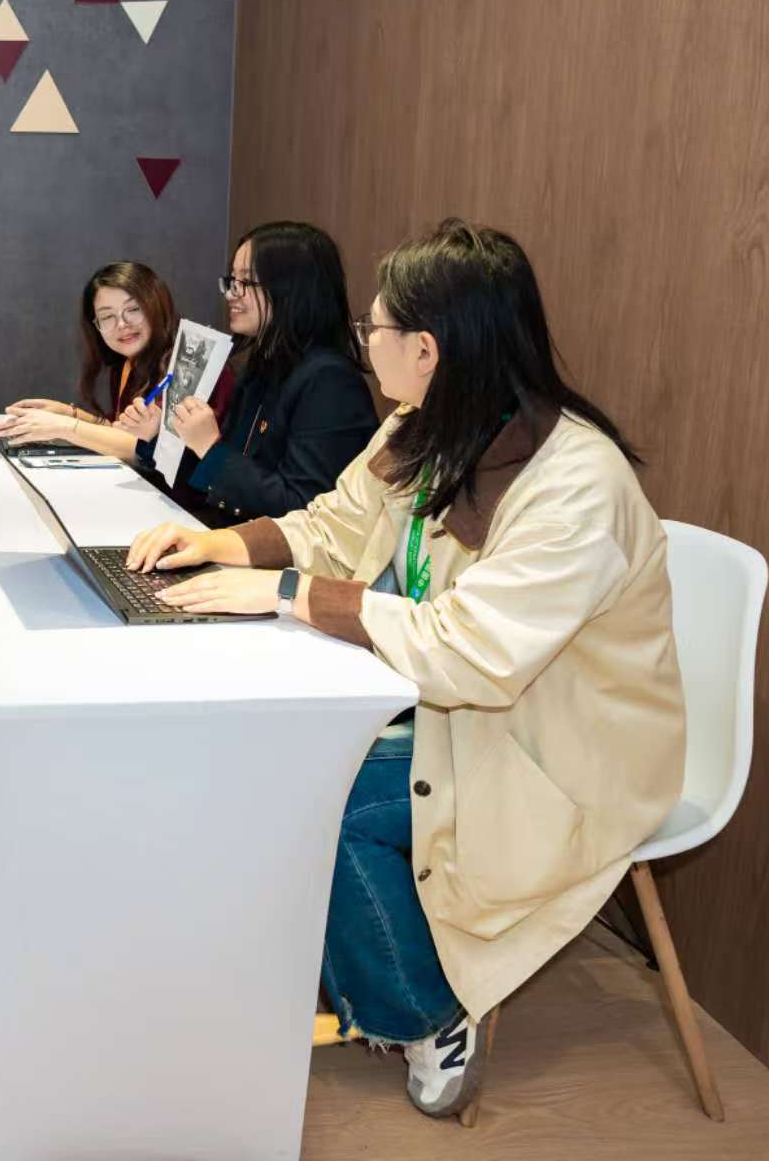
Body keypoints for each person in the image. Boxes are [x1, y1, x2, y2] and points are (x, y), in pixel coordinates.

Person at [125, 220, 684, 1118]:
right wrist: (225, 545)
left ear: (425, 350)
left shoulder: (575, 483)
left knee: (322, 800)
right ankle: (318, 959)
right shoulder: (428, 424)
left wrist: (286, 595)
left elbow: (471, 653)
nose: (364, 343)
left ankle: (420, 1012)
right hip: (462, 706)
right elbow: (335, 525)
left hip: (559, 746)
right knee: (272, 756)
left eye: (373, 329)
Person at [130, 222, 376, 524]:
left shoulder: (330, 381)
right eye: (232, 280)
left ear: (291, 289)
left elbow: (304, 510)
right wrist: (157, 436)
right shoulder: (261, 366)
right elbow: (211, 487)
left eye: (245, 282)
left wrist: (210, 447)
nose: (231, 294)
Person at [0, 261, 196, 461]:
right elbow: (120, 432)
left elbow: (145, 451)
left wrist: (63, 426)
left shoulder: (186, 367)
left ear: (157, 307)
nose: (122, 324)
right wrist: (69, 413)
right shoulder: (125, 364)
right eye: (107, 316)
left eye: (134, 309)